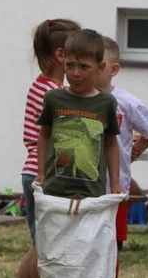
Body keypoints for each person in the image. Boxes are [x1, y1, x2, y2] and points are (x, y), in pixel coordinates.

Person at [6, 17, 81, 278]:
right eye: (76, 58)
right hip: (43, 174)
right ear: (62, 55)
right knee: (45, 247)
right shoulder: (53, 93)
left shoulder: (42, 87)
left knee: (38, 243)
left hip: (32, 172)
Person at [97, 36, 148, 278]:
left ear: (113, 69)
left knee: (110, 245)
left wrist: (134, 150)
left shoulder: (125, 102)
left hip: (115, 187)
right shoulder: (76, 99)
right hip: (83, 188)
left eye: (98, 65)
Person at [36, 29, 123, 197]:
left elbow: (111, 144)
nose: (75, 73)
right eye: (70, 65)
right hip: (54, 190)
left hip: (91, 193)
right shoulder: (53, 98)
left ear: (101, 67)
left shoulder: (107, 103)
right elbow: (44, 135)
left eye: (84, 67)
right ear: (63, 62)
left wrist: (115, 182)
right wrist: (40, 172)